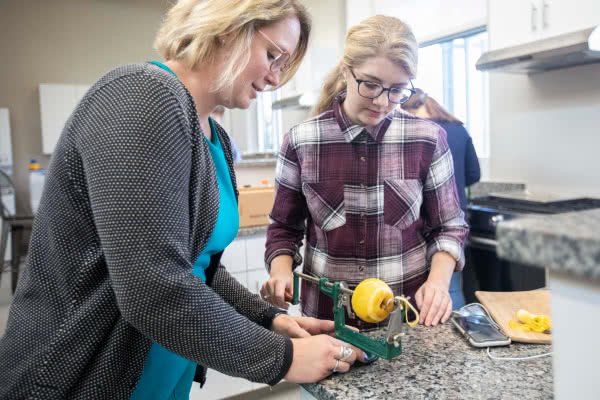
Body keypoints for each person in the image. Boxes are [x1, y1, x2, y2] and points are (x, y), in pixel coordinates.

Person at [0, 1, 365, 399]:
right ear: (228, 28)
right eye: (273, 55)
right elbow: (153, 285)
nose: (276, 77)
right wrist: (283, 356)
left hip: (162, 374)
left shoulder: (215, 138)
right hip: (81, 375)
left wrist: (268, 320)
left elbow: (193, 264)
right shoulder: (141, 95)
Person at [260, 15, 469, 330]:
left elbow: (449, 227)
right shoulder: (301, 141)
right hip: (327, 321)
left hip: (406, 320)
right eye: (370, 84)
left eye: (397, 90)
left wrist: (438, 283)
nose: (383, 101)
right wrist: (280, 271)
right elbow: (283, 228)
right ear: (346, 70)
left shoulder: (427, 139)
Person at [401, 89, 481, 309]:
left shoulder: (414, 132)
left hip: (421, 220)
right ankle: (453, 337)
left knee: (421, 291)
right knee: (449, 286)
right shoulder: (458, 129)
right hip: (457, 220)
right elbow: (475, 174)